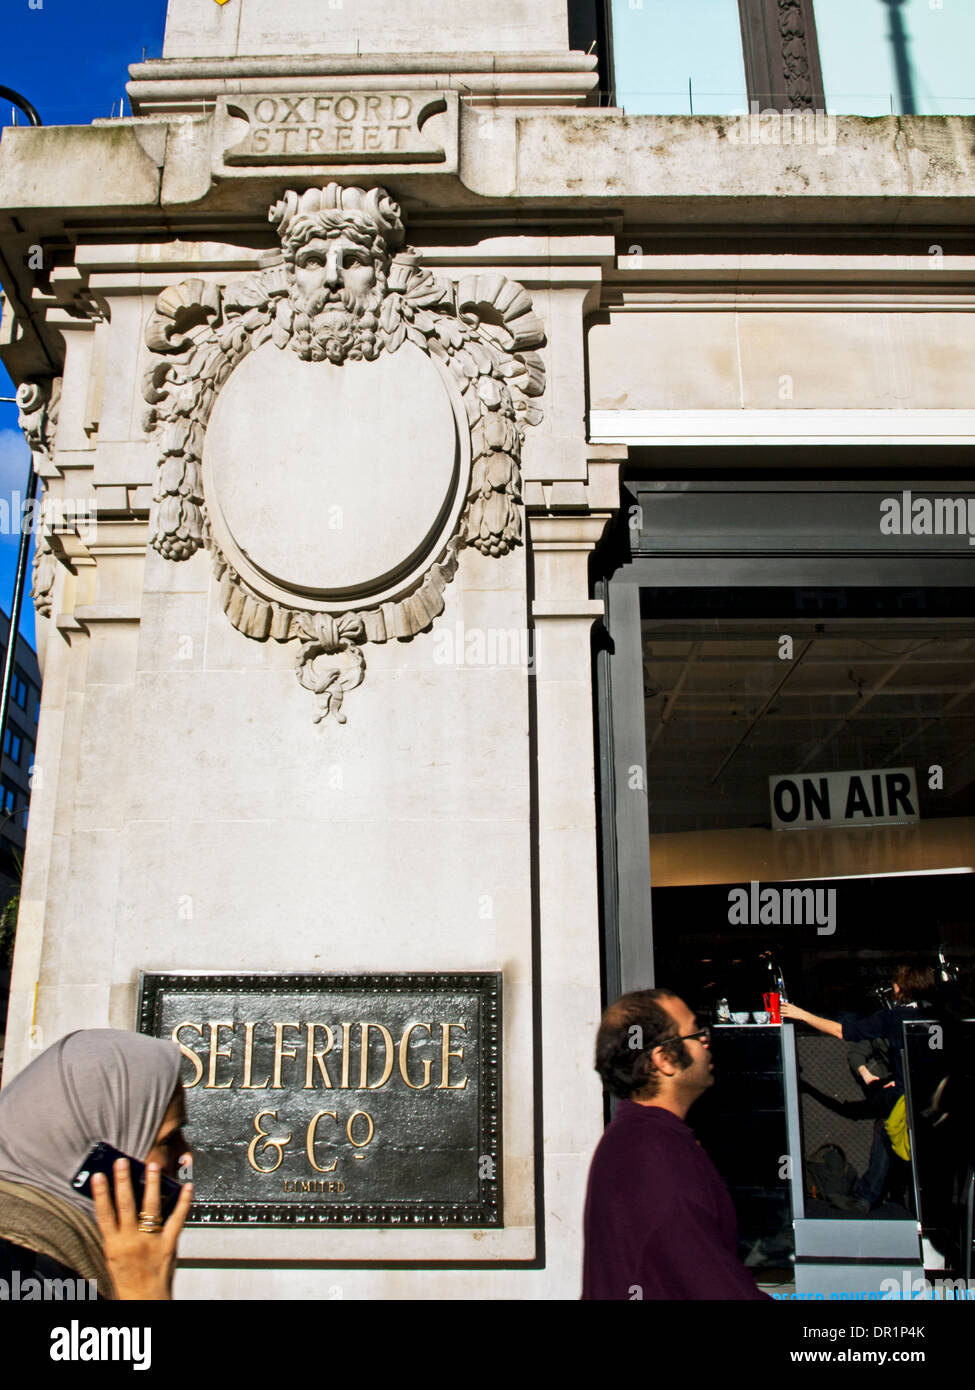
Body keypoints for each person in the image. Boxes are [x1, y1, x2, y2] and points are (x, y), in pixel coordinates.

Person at [582, 988, 771, 1300]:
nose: (705, 1040)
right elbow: (708, 1282)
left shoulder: (638, 1139)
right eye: (695, 1033)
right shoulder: (651, 1153)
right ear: (664, 1059)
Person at [0, 1029, 193, 1299]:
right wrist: (145, 1292)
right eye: (167, 1140)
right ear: (94, 1147)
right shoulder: (19, 1272)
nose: (186, 1156)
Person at [782, 965, 936, 1210]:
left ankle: (866, 1198)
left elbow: (843, 1031)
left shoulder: (895, 1017)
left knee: (887, 1127)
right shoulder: (939, 1015)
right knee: (889, 1131)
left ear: (900, 987)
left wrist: (803, 1015)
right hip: (935, 1098)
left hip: (907, 1099)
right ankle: (876, 1197)